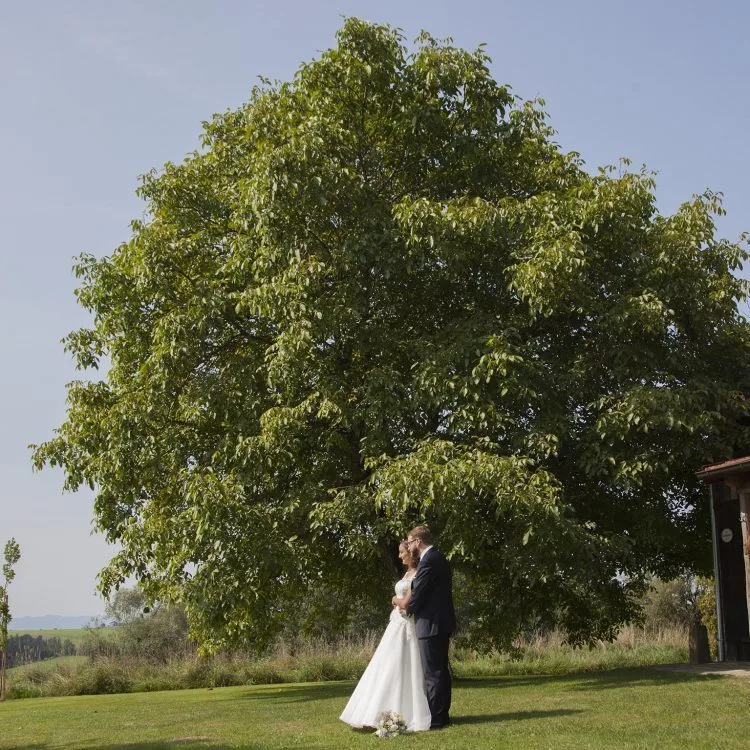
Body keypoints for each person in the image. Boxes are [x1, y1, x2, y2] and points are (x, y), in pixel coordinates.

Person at [339, 541, 431, 732]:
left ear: (410, 553)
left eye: (401, 552)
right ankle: (375, 710)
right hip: (396, 623)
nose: (399, 556)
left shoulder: (418, 573)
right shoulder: (406, 574)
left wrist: (394, 599)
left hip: (407, 623)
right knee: (386, 664)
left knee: (405, 665)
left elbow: (408, 601)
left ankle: (405, 711)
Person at [403, 525, 456, 730]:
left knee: (433, 673)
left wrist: (406, 607)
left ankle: (437, 719)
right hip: (439, 622)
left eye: (409, 542)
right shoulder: (437, 557)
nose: (408, 547)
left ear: (418, 541)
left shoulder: (430, 559)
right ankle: (442, 715)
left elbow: (419, 591)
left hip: (432, 623)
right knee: (440, 672)